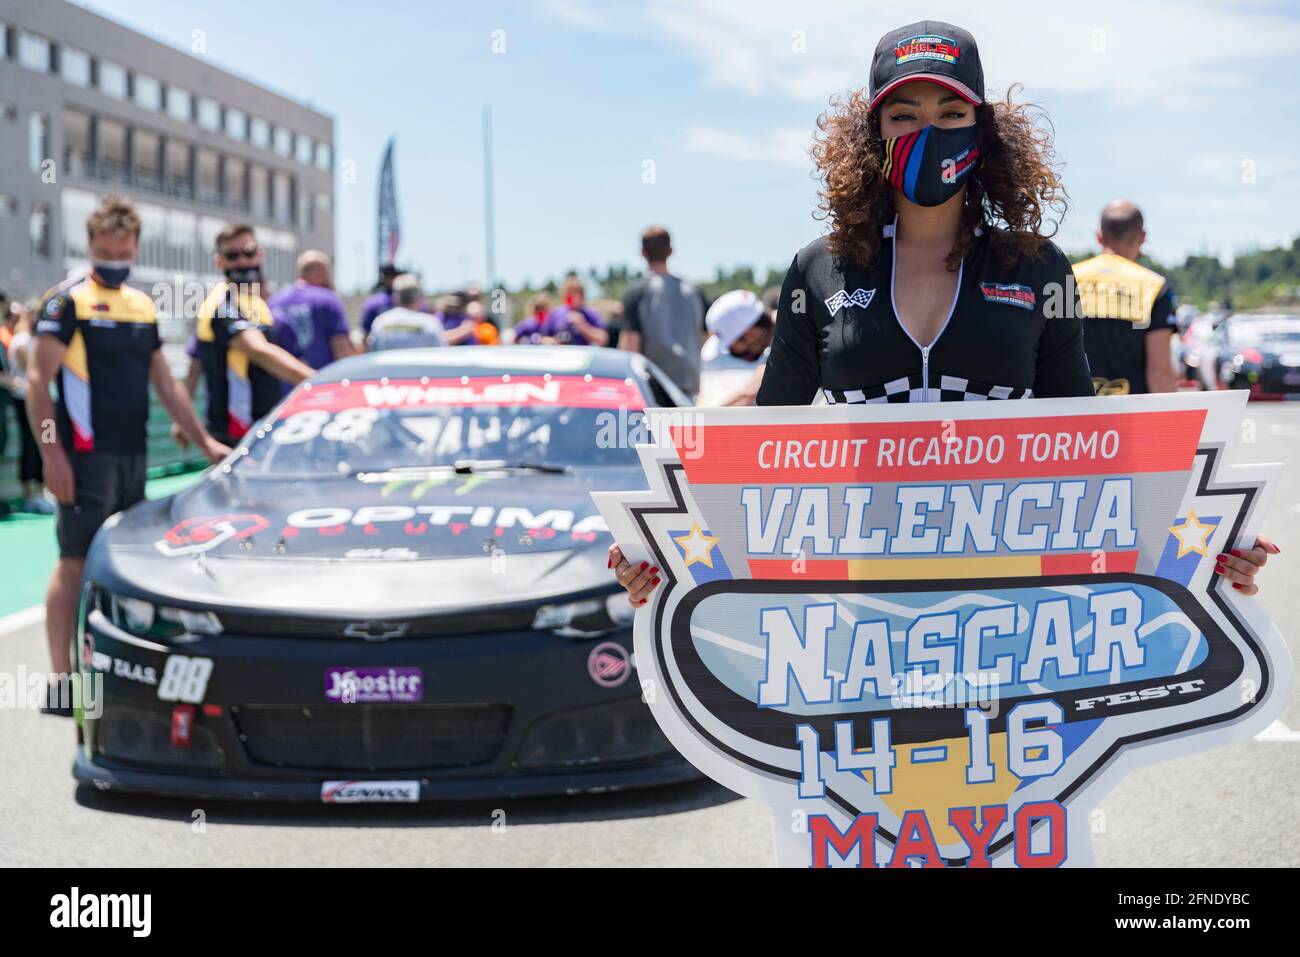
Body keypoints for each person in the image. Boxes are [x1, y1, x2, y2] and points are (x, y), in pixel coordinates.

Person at [608, 19, 1278, 606]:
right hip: (857, 595)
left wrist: (1210, 545)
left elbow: (1091, 449)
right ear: (873, 134)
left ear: (981, 131)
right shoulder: (820, 269)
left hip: (1015, 593)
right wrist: (659, 553)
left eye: (949, 114)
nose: (927, 131)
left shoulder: (1036, 267)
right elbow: (760, 445)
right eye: (903, 115)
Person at [27, 196, 229, 713]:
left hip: (133, 456)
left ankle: (119, 675)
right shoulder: (65, 301)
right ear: (90, 246)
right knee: (73, 563)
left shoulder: (141, 304)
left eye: (122, 251)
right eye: (104, 251)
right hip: (84, 458)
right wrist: (53, 456)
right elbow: (37, 383)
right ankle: (61, 681)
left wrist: (205, 441)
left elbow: (165, 383)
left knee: (131, 567)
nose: (114, 259)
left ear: (136, 247)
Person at [196, 224, 314, 446]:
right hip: (236, 434)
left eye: (248, 253)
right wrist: (319, 381)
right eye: (232, 255)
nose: (242, 262)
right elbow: (259, 350)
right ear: (219, 261)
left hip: (263, 426)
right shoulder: (222, 304)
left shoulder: (257, 303)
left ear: (259, 254)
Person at [1073, 201, 1178, 395]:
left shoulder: (1066, 278)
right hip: (1130, 417)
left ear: (1099, 236)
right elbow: (1159, 372)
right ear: (1143, 237)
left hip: (1071, 416)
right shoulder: (1154, 286)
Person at [619, 226, 707, 396]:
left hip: (653, 391)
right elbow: (705, 339)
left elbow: (631, 348)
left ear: (643, 252)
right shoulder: (695, 292)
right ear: (671, 251)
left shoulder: (637, 293)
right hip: (691, 390)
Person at [268, 250, 356, 371]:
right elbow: (342, 350)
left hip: (282, 384)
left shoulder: (273, 301)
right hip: (321, 384)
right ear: (322, 272)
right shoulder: (328, 300)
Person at [6, 304, 51, 512]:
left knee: (43, 443)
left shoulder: (36, 339)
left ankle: (42, 491)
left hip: (41, 399)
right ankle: (31, 494)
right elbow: (33, 370)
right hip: (26, 400)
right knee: (32, 445)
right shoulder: (23, 341)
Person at [697, 289, 775, 406]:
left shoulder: (789, 339)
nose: (734, 352)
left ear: (751, 333)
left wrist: (703, 420)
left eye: (732, 347)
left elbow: (750, 391)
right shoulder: (788, 325)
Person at [367, 274, 446, 351]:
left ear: (395, 298)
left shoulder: (380, 323)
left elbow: (373, 352)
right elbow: (440, 354)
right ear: (419, 298)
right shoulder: (431, 324)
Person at [542, 274, 609, 346]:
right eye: (569, 293)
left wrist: (582, 326)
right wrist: (553, 341)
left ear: (581, 295)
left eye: (575, 293)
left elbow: (603, 339)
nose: (572, 297)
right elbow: (543, 337)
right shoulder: (555, 314)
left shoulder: (591, 314)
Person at [360, 263, 401, 336]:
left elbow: (365, 334)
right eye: (391, 276)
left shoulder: (372, 302)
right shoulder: (373, 302)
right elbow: (366, 332)